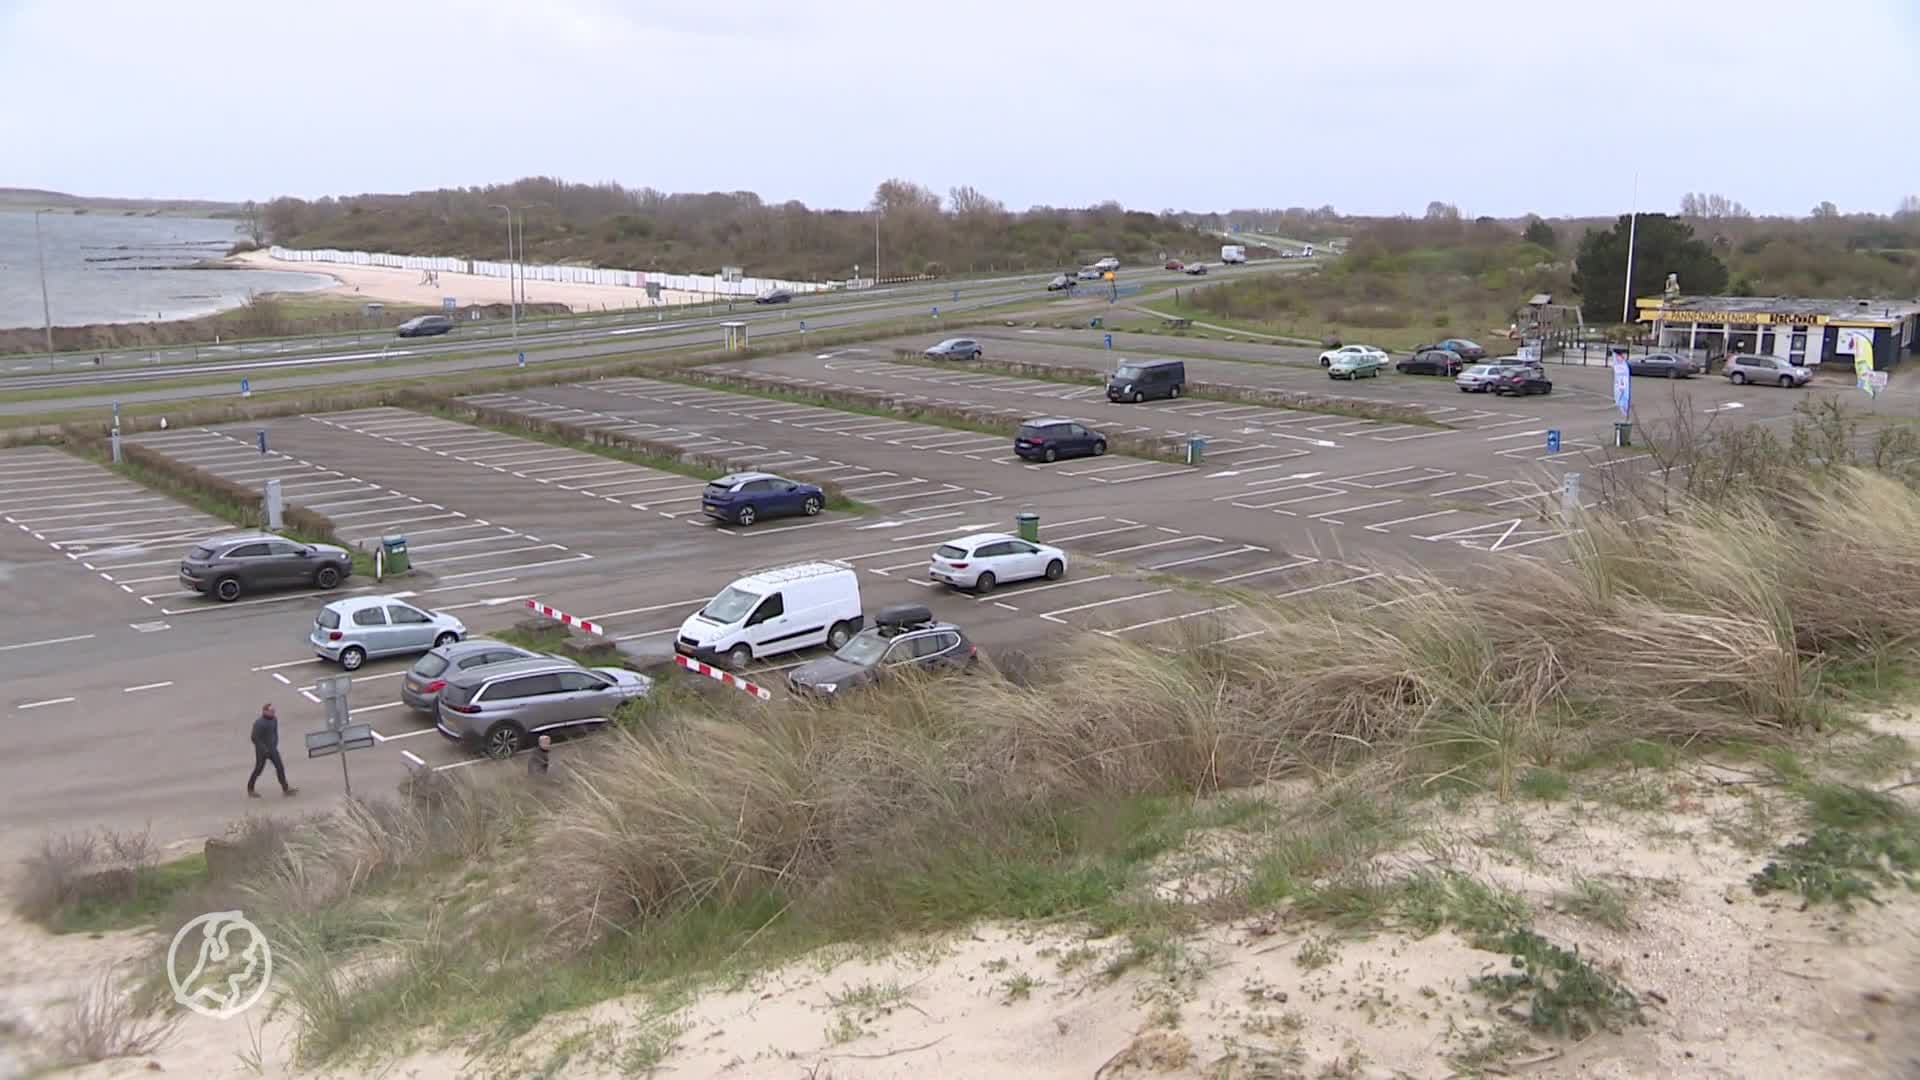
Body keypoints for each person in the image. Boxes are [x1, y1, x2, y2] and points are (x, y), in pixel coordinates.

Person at [247, 703, 297, 798]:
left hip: (273, 749)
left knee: (280, 767)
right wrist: (264, 749)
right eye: (271, 711)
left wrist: (275, 743)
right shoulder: (259, 723)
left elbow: (274, 733)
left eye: (273, 711)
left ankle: (285, 788)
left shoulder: (274, 720)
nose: (273, 713)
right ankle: (250, 788)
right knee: (258, 770)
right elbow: (254, 738)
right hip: (262, 751)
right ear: (265, 711)